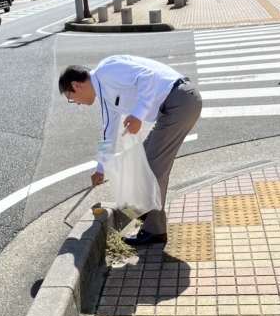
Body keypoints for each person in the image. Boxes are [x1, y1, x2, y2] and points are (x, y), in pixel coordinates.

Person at [59, 55, 202, 246]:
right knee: (140, 163)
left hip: (181, 101)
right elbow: (108, 134)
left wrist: (138, 114)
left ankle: (155, 230)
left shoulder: (106, 69)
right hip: (170, 109)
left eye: (71, 98)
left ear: (76, 85)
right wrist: (100, 169)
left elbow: (147, 75)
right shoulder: (106, 99)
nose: (76, 103)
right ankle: (148, 214)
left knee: (152, 168)